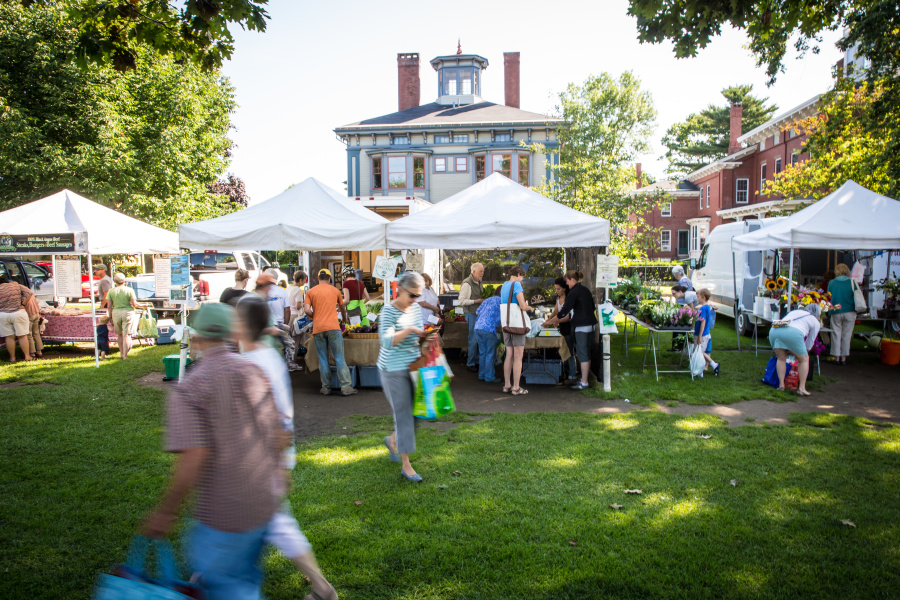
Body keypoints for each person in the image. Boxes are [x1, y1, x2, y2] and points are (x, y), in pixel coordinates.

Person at [142, 303, 287, 600]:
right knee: (244, 581)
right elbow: (279, 432)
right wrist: (280, 474)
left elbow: (193, 457)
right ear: (232, 334)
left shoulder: (190, 387)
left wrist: (165, 512)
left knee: (231, 589)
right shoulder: (254, 370)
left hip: (223, 516)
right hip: (263, 504)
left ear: (196, 338)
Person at [235, 295, 337, 600]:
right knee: (268, 523)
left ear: (241, 324)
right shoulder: (264, 357)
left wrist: (277, 463)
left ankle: (322, 588)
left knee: (275, 524)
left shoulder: (251, 363)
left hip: (262, 458)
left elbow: (274, 418)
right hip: (265, 456)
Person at [378, 272, 428, 483]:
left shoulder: (416, 307)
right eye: (412, 295)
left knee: (417, 413)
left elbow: (418, 331)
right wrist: (409, 330)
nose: (416, 299)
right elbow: (387, 341)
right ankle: (406, 466)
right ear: (399, 289)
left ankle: (392, 441)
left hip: (414, 366)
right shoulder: (388, 310)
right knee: (405, 415)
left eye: (418, 295)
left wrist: (426, 335)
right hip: (392, 369)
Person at [305, 269, 357, 396]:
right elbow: (342, 308)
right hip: (333, 327)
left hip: (318, 328)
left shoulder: (310, 292)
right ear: (329, 278)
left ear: (318, 278)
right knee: (339, 357)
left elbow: (306, 309)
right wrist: (344, 319)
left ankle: (326, 387)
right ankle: (346, 387)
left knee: (323, 358)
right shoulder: (335, 290)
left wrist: (313, 316)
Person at [544, 271, 597, 390]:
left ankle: (584, 382)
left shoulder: (574, 292)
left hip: (581, 327)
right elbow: (592, 307)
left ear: (572, 279)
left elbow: (564, 311)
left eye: (567, 280)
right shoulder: (585, 290)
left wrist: (550, 322)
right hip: (591, 325)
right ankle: (584, 378)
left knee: (582, 354)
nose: (566, 283)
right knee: (586, 353)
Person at [768, 303, 821, 395]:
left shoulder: (795, 311)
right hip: (794, 334)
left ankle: (781, 385)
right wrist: (803, 353)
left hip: (775, 330)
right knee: (804, 360)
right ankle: (802, 388)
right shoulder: (815, 321)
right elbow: (810, 342)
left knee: (781, 358)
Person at [499, 266, 533, 395]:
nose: (522, 280)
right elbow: (522, 306)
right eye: (522, 277)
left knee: (509, 355)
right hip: (517, 324)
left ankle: (507, 385)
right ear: (518, 274)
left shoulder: (504, 285)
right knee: (518, 356)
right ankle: (516, 387)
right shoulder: (517, 285)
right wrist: (530, 308)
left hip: (506, 324)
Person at [105, 272, 145, 360]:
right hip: (128, 312)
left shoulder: (111, 291)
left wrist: (110, 317)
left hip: (116, 313)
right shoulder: (129, 290)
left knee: (119, 335)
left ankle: (121, 353)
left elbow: (109, 306)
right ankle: (125, 356)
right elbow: (134, 304)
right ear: (124, 281)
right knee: (126, 335)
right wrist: (143, 305)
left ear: (115, 281)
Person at [544, 277, 577, 384]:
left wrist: (555, 321)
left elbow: (568, 317)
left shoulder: (569, 299)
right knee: (563, 351)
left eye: (558, 289)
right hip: (562, 329)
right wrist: (547, 321)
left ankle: (572, 375)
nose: (556, 291)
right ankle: (565, 373)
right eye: (556, 289)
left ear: (564, 288)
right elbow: (555, 312)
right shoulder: (558, 299)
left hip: (569, 328)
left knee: (569, 352)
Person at [828, 263, 857, 366]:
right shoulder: (852, 282)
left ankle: (836, 357)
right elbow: (856, 297)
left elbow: (828, 297)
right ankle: (844, 358)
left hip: (835, 311)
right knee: (847, 334)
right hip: (850, 311)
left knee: (836, 334)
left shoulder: (831, 283)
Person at [458, 262, 485, 373]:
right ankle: (470, 363)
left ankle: (477, 361)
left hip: (478, 313)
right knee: (473, 339)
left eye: (483, 271)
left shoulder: (479, 281)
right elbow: (461, 301)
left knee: (479, 338)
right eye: (480, 271)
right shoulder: (467, 284)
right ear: (473, 272)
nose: (482, 273)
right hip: (471, 314)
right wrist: (476, 301)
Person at [0, 275, 33, 362]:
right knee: (22, 335)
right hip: (18, 312)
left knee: (9, 337)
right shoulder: (15, 285)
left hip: (3, 314)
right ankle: (27, 356)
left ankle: (12, 357)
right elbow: (29, 293)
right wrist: (23, 304)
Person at [474, 287, 503, 383]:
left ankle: (481, 375)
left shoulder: (488, 299)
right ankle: (489, 376)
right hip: (489, 329)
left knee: (483, 353)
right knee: (490, 353)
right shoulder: (502, 301)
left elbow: (477, 312)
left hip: (478, 327)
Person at [694, 289, 720, 376]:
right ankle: (700, 370)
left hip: (702, 334)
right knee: (698, 351)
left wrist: (700, 336)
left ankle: (713, 365)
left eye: (698, 297)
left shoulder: (704, 308)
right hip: (702, 333)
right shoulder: (706, 307)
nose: (697, 298)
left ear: (703, 297)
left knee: (700, 351)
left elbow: (703, 322)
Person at [23, 291, 42, 359]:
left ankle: (32, 352)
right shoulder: (31, 294)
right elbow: (37, 304)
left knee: (29, 334)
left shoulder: (23, 296)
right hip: (36, 313)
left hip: (29, 314)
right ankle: (39, 351)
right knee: (36, 333)